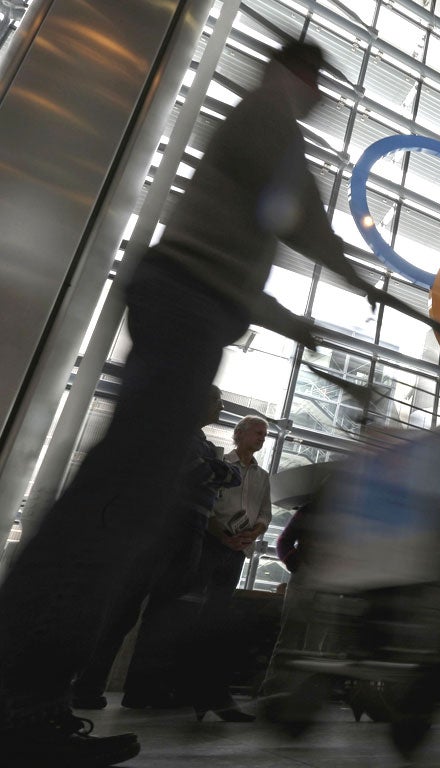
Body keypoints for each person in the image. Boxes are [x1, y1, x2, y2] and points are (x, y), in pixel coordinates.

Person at [0, 38, 397, 767]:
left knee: (120, 495)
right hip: (187, 309)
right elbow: (296, 214)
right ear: (295, 74)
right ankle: (18, 700)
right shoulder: (266, 115)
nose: (319, 99)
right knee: (116, 502)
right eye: (316, 83)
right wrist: (355, 276)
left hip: (191, 306)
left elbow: (236, 267)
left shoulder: (256, 134)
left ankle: (27, 695)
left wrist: (300, 326)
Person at [71, 385, 239, 710]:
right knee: (123, 612)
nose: (221, 407)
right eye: (217, 400)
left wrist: (215, 469)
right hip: (163, 531)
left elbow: (231, 476)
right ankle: (88, 687)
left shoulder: (201, 443)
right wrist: (216, 470)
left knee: (162, 616)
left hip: (187, 532)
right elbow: (195, 472)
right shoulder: (177, 436)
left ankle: (139, 690)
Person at [187, 415, 272, 722]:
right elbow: (208, 505)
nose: (262, 438)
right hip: (212, 546)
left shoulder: (263, 476)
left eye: (265, 434)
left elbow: (265, 514)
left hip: (237, 551)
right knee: (199, 614)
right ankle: (197, 690)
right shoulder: (221, 464)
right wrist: (223, 535)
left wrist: (253, 534)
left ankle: (205, 693)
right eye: (258, 432)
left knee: (216, 614)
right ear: (239, 434)